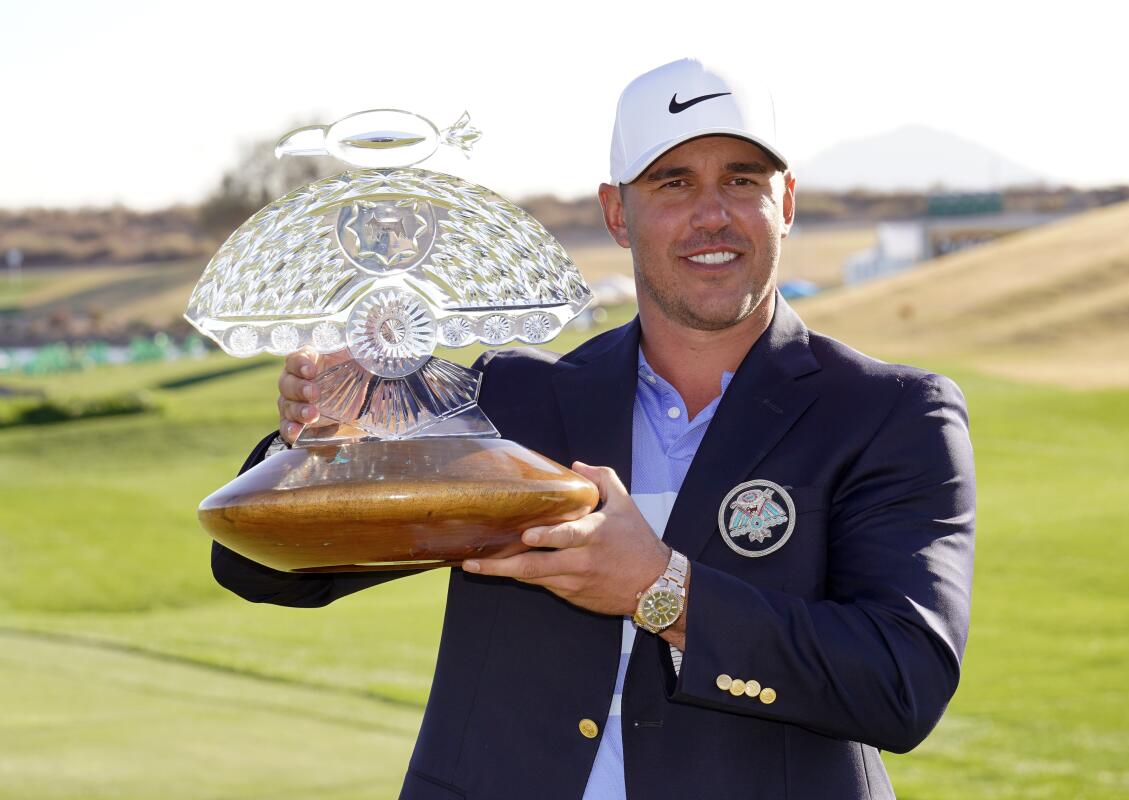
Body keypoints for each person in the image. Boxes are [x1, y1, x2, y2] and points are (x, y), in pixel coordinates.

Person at [213, 58, 976, 800]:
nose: (713, 213)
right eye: (673, 183)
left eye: (742, 180)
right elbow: (273, 571)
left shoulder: (891, 414)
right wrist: (317, 443)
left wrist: (662, 589)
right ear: (617, 212)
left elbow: (902, 684)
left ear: (788, 200)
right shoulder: (507, 405)